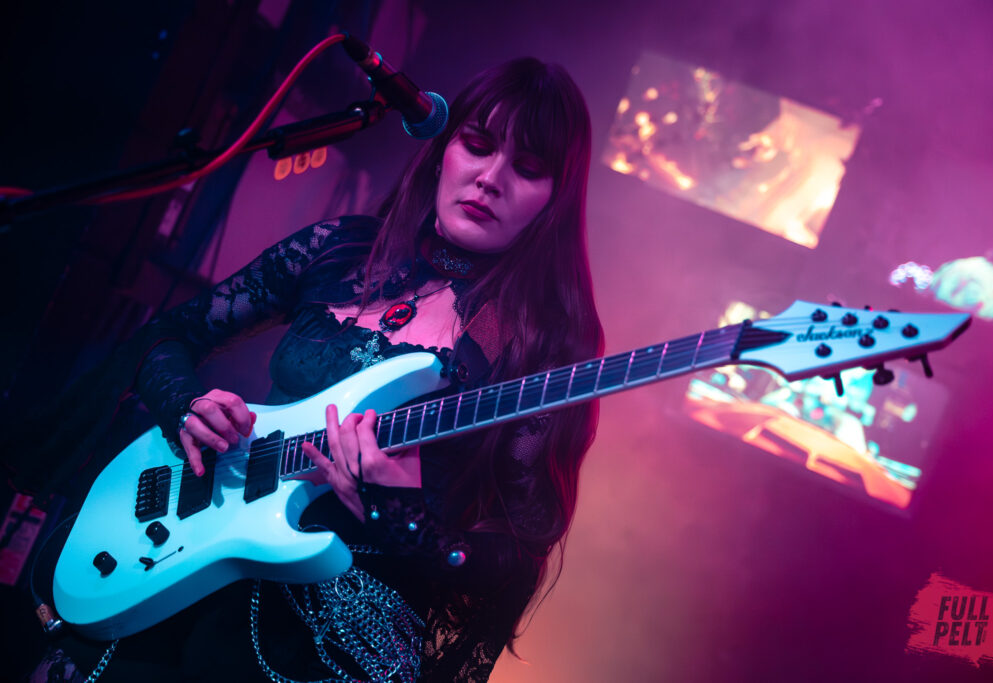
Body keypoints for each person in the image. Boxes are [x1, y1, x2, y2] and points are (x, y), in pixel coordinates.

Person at [32, 56, 603, 682]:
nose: (490, 179)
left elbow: (518, 554)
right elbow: (167, 334)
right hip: (191, 548)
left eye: (528, 168)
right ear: (444, 149)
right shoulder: (343, 248)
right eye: (478, 144)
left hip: (341, 623)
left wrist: (405, 518)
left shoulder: (545, 342)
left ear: (554, 200)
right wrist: (188, 406)